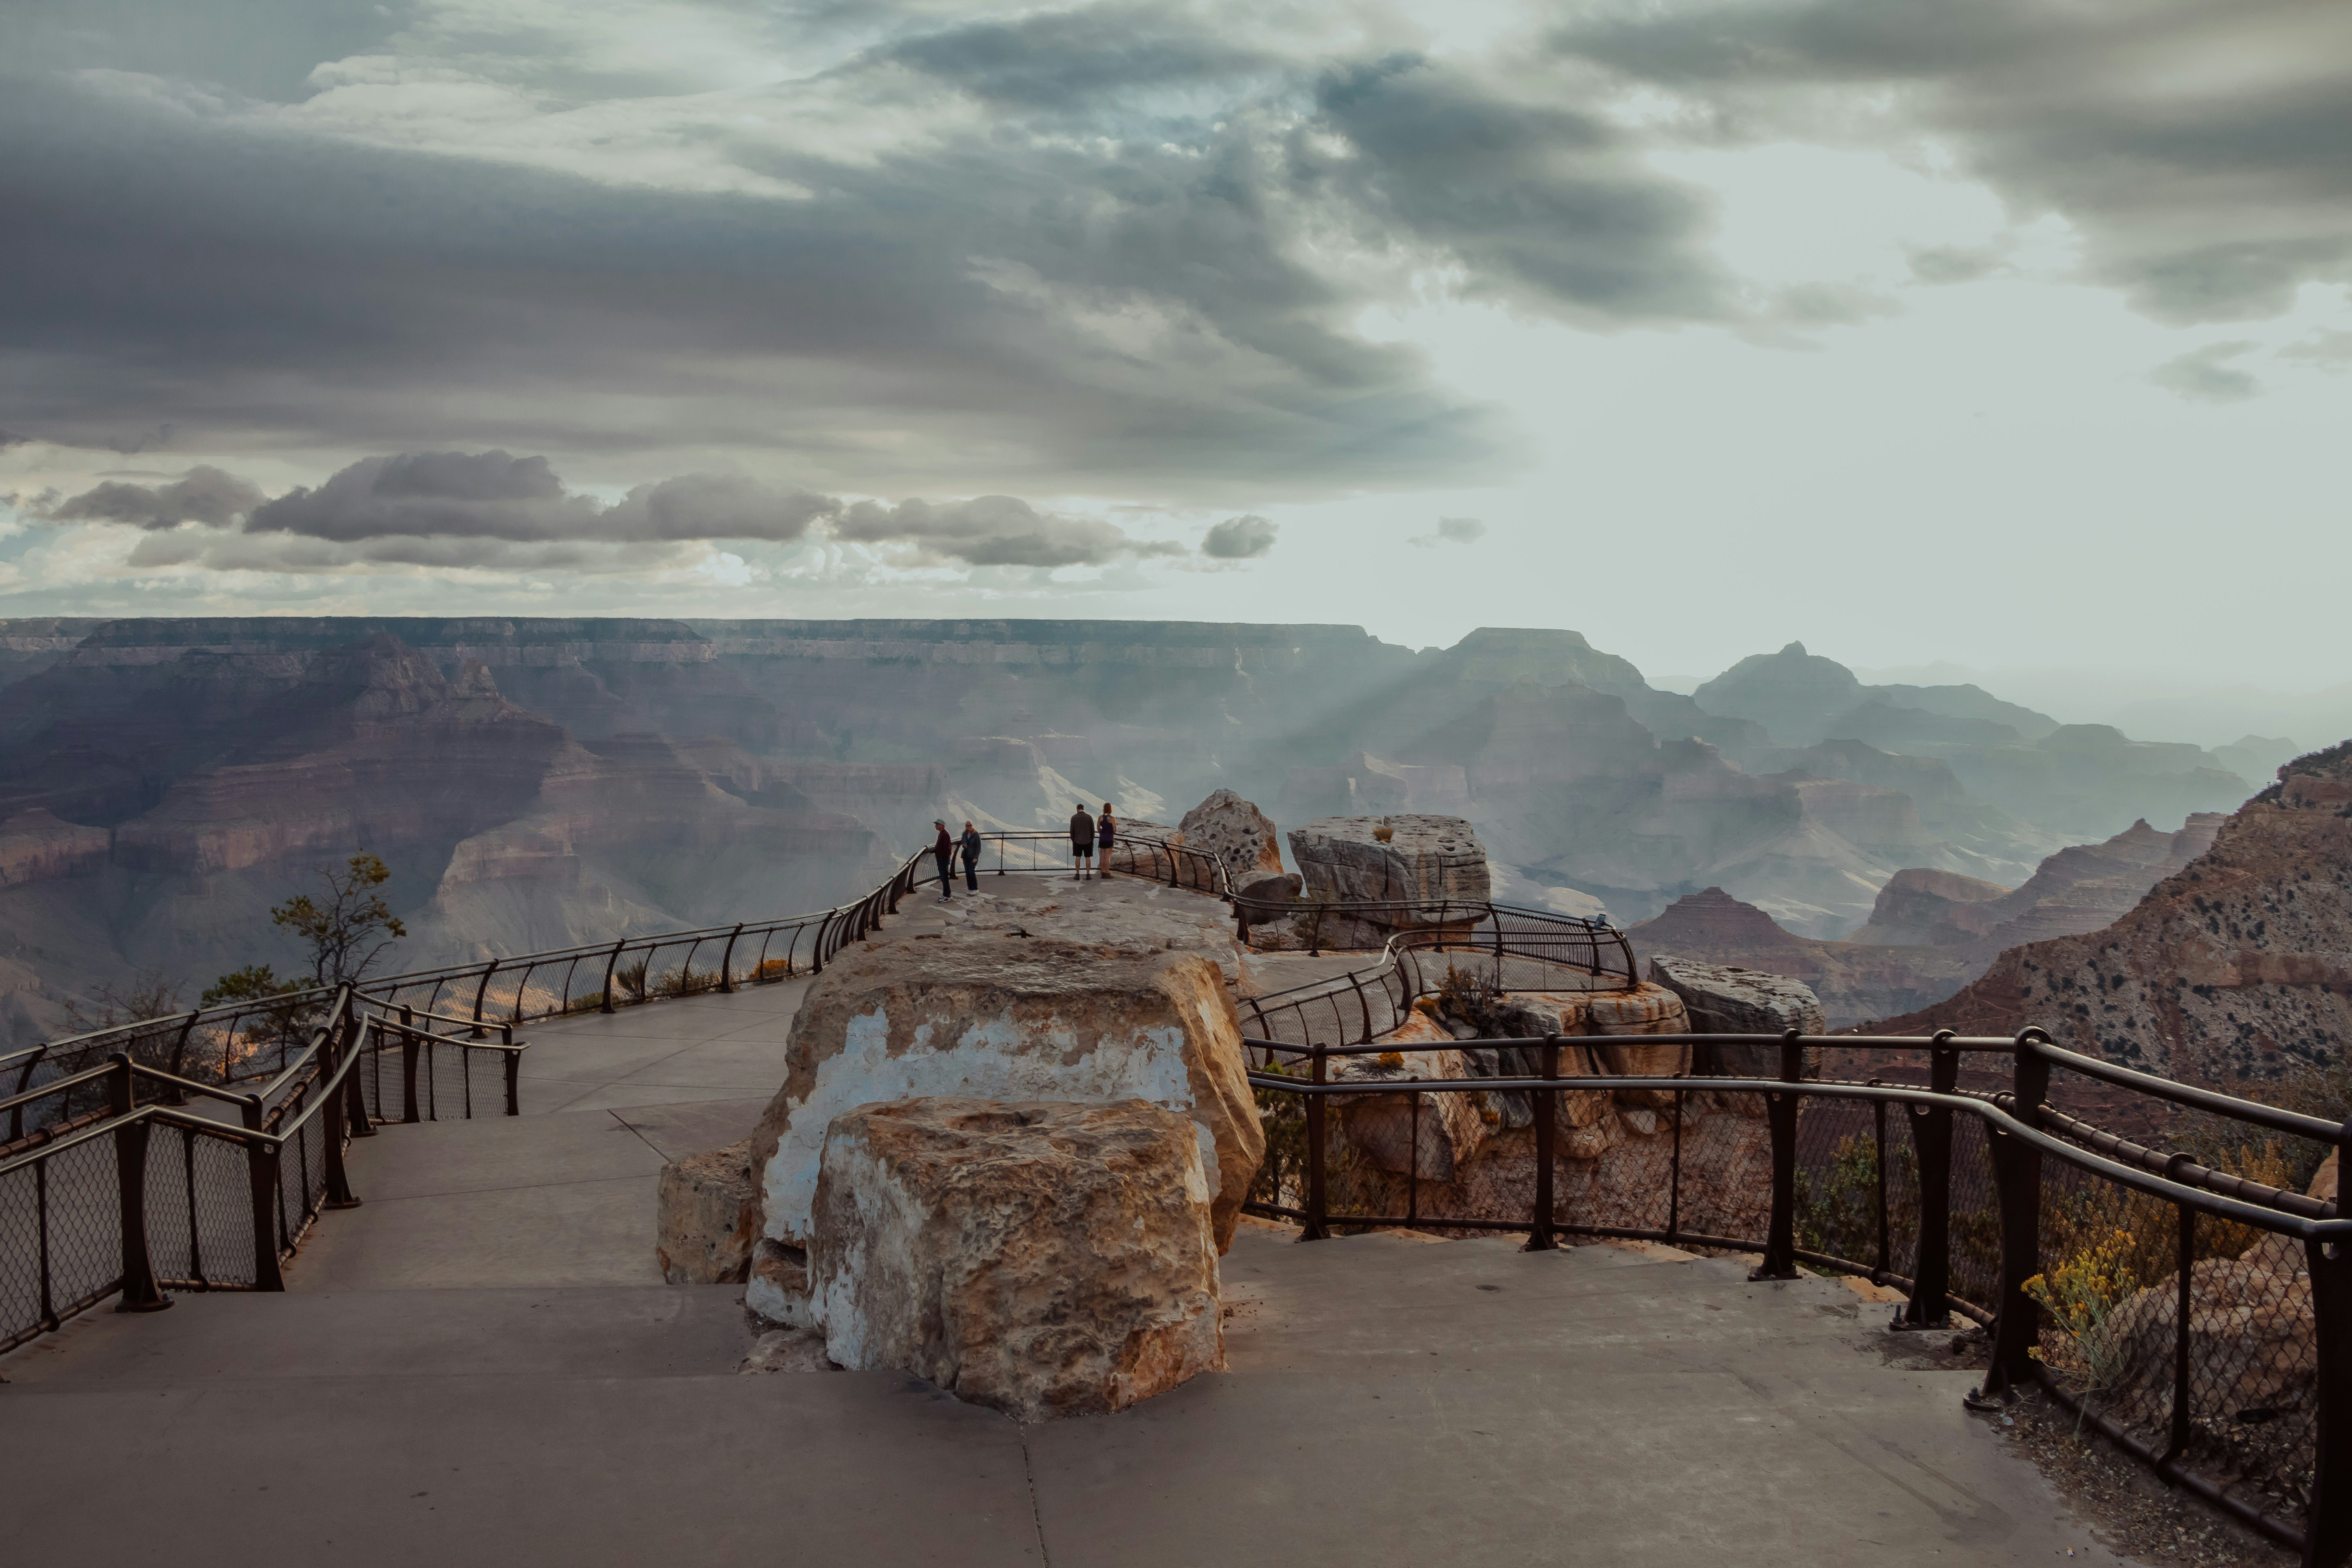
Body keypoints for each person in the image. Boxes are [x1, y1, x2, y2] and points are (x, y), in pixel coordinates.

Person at [1069, 802, 1095, 879]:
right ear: (1083, 809)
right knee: (1088, 858)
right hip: (1088, 841)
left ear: (1077, 810)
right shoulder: (1089, 817)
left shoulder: (1074, 818)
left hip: (1077, 841)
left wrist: (1074, 839)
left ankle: (1077, 874)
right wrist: (1091, 839)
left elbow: (1072, 831)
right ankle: (1088, 874)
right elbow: (1093, 830)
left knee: (1078, 857)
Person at [931, 819, 954, 899]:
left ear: (942, 826)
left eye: (937, 824)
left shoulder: (945, 835)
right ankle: (946, 895)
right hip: (942, 859)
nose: (936, 826)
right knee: (943, 878)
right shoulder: (942, 834)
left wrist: (942, 857)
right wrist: (935, 850)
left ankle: (947, 896)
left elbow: (947, 849)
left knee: (944, 878)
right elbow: (941, 847)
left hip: (943, 860)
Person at [959, 820, 983, 891]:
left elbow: (978, 847)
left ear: (972, 826)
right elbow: (963, 841)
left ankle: (975, 888)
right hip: (966, 856)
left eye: (970, 826)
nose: (969, 827)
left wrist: (976, 857)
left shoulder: (976, 835)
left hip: (973, 856)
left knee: (971, 871)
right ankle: (970, 888)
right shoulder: (965, 834)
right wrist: (964, 845)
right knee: (967, 872)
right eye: (968, 826)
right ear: (966, 827)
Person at [1097, 802, 1117, 869]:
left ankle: (1102, 871)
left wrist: (1102, 832)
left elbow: (1098, 828)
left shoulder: (1100, 818)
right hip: (1109, 838)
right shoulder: (1112, 819)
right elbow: (1115, 830)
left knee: (1102, 856)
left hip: (1102, 838)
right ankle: (1106, 871)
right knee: (1108, 856)